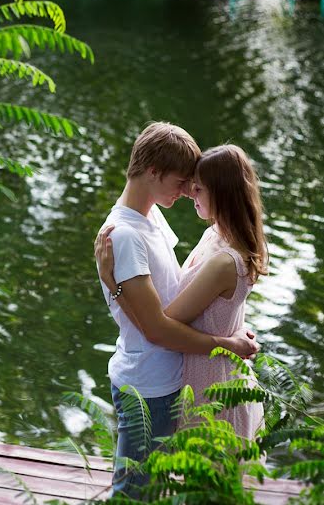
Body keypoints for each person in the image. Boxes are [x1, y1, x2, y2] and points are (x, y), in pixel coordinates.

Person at [93, 122, 259, 499]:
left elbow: (180, 287)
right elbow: (157, 330)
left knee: (158, 487)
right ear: (154, 172)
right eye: (182, 181)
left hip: (171, 379)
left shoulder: (151, 217)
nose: (187, 192)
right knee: (134, 490)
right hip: (146, 384)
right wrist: (113, 284)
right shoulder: (124, 235)